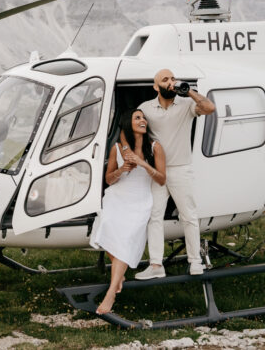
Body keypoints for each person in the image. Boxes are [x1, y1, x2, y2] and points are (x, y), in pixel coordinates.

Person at [135, 69, 216, 279]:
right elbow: (135, 131)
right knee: (154, 217)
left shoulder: (187, 105)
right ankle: (155, 265)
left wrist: (188, 91)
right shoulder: (145, 108)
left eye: (172, 78)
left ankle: (195, 262)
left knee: (188, 215)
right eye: (165, 80)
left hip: (181, 168)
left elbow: (209, 108)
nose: (171, 82)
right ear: (156, 87)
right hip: (158, 171)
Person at [89, 109, 166, 315]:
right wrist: (123, 170)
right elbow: (108, 179)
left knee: (126, 238)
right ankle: (118, 276)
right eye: (137, 118)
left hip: (140, 200)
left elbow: (161, 179)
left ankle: (111, 293)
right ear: (128, 124)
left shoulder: (155, 147)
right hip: (117, 197)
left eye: (143, 117)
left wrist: (142, 164)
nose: (143, 120)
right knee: (107, 226)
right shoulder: (117, 149)